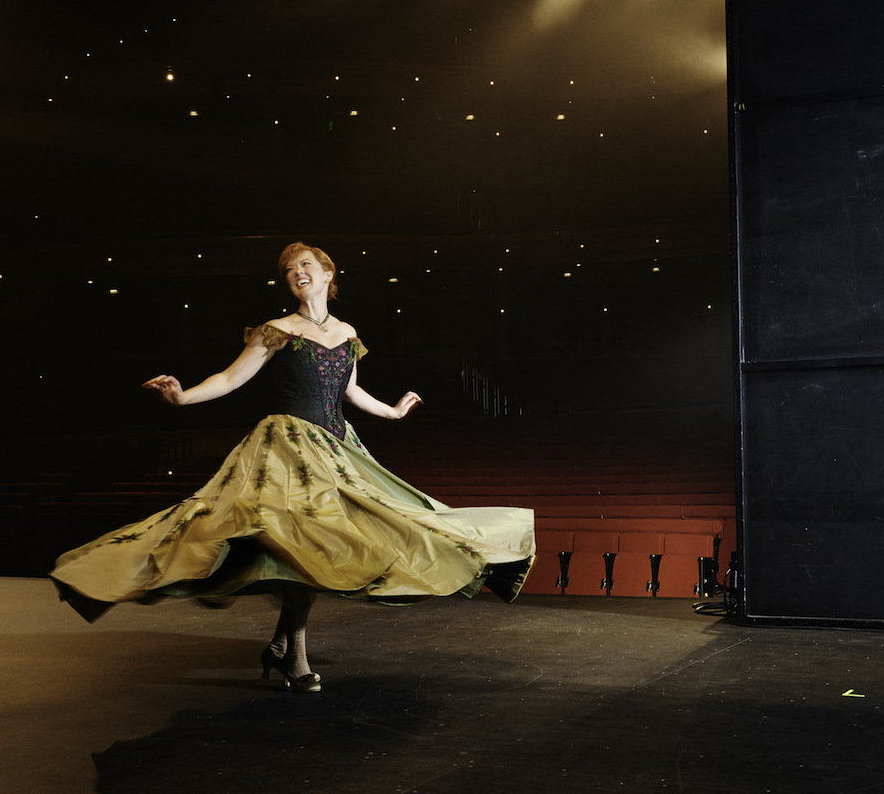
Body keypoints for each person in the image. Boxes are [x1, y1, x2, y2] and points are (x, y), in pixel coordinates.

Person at [51, 242, 536, 691]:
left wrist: (392, 410)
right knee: (298, 543)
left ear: (327, 273)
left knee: (333, 542)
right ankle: (293, 657)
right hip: (286, 447)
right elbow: (229, 377)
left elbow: (348, 390)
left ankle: (284, 648)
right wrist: (182, 399)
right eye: (289, 270)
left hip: (337, 449)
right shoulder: (277, 331)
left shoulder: (347, 333)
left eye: (305, 264)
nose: (296, 272)